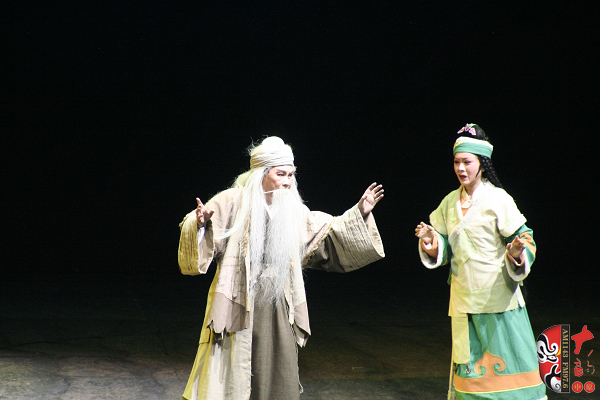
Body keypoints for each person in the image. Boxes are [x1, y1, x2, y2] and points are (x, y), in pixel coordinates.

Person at [178, 136, 385, 400]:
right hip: (238, 302)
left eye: (291, 175)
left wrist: (360, 213)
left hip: (278, 305)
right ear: (262, 174)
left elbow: (326, 235)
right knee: (232, 374)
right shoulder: (231, 201)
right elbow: (202, 237)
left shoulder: (293, 211)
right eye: (281, 174)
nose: (288, 181)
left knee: (277, 370)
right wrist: (199, 225)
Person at [415, 124, 546, 400]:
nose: (461, 168)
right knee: (470, 379)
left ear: (482, 165)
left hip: (498, 300)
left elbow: (526, 238)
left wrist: (516, 252)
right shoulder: (449, 203)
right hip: (464, 300)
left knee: (512, 375)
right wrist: (431, 242)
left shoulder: (498, 199)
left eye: (467, 162)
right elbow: (445, 246)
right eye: (456, 162)